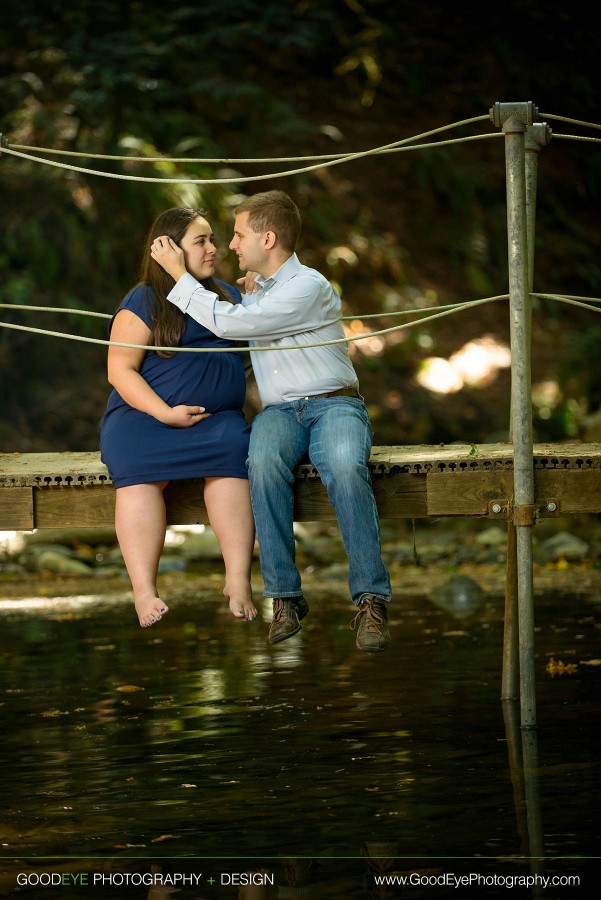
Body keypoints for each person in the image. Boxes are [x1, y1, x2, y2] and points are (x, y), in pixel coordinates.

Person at [150, 191, 392, 652]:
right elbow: (243, 316)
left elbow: (233, 325)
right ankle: (284, 596)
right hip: (281, 413)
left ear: (268, 237)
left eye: (239, 234)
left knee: (343, 467)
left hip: (334, 405)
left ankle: (371, 601)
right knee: (259, 464)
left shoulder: (309, 286)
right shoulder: (260, 291)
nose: (232, 245)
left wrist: (179, 276)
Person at [100, 207, 256, 628]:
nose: (213, 248)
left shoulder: (226, 296)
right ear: (168, 248)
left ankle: (237, 579)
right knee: (137, 475)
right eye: (201, 241)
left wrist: (258, 291)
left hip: (214, 422)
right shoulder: (145, 299)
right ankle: (143, 591)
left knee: (236, 452)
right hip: (144, 419)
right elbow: (120, 370)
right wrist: (165, 414)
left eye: (212, 239)